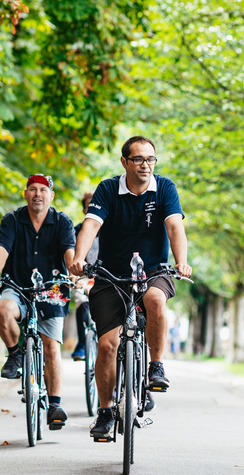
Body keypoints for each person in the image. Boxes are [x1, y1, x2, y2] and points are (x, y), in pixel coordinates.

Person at [69, 136, 192, 437]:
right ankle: (106, 411)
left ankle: (157, 366)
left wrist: (182, 261)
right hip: (112, 274)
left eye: (150, 159)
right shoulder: (109, 189)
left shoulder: (165, 188)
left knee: (155, 300)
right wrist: (79, 257)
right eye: (138, 159)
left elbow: (175, 225)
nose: (145, 165)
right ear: (125, 162)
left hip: (154, 270)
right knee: (107, 346)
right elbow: (91, 225)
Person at [0, 174, 75, 430]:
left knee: (51, 348)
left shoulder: (63, 221)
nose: (38, 194)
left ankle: (55, 405)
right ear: (25, 194)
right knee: (3, 309)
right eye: (33, 189)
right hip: (17, 286)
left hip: (52, 289)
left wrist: (75, 274)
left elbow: (69, 252)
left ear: (51, 196)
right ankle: (15, 356)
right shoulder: (12, 220)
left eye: (43, 190)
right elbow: (2, 248)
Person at [71, 192, 99, 362]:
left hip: (106, 275)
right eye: (88, 206)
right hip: (84, 275)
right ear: (84, 210)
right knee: (80, 299)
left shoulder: (109, 228)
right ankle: (82, 343)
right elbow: (70, 255)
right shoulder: (76, 231)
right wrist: (72, 276)